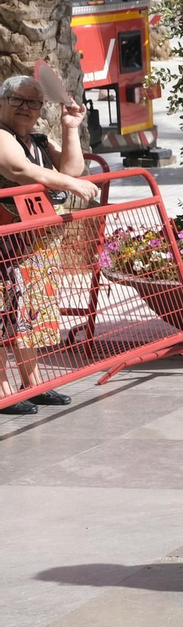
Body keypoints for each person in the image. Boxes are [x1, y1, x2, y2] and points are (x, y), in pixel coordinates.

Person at [0, 75, 94, 416]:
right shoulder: (1, 136)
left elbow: (72, 167)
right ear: (2, 102)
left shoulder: (38, 139)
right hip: (4, 242)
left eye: (33, 102)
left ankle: (33, 383)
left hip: (30, 243)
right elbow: (18, 168)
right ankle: (3, 391)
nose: (25, 107)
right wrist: (69, 183)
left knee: (27, 314)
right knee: (3, 316)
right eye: (17, 100)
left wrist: (70, 127)